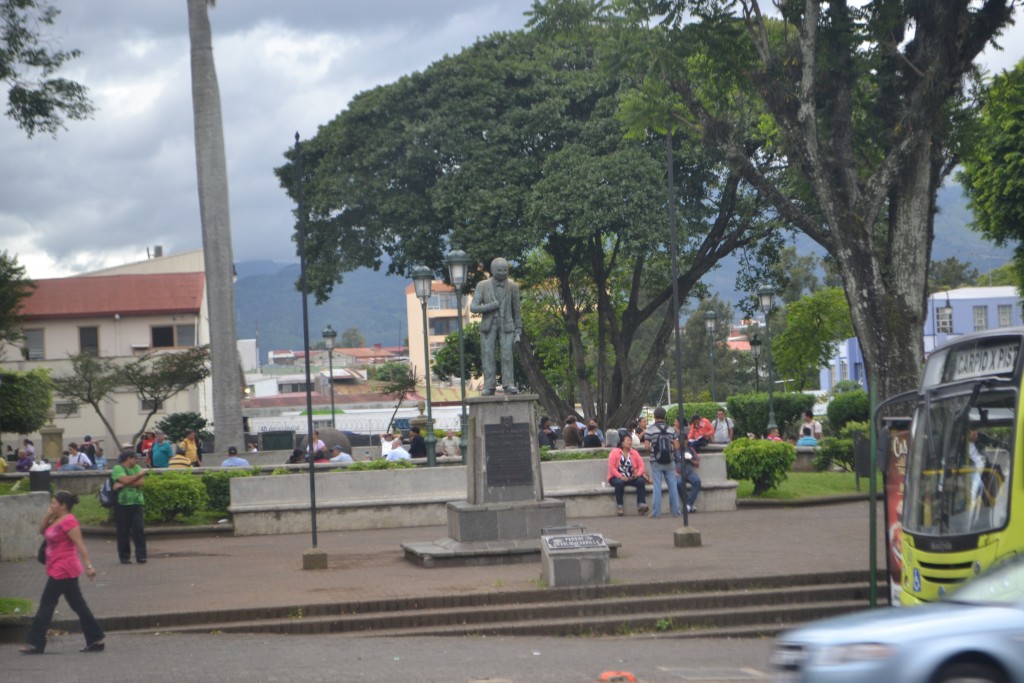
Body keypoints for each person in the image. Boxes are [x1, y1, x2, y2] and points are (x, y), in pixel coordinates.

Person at [20, 491, 104, 654]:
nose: (51, 506)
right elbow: (42, 530)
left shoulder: (70, 521)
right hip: (58, 567)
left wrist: (88, 566)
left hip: (64, 569)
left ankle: (35, 643)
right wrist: (48, 514)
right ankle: (95, 639)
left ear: (63, 506)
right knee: (78, 605)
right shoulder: (56, 519)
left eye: (54, 503)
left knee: (47, 603)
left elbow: (80, 544)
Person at [469, 257, 522, 395]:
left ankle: (509, 384)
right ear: (492, 270)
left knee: (507, 355)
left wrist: (518, 328)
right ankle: (489, 385)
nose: (503, 273)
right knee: (488, 355)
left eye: (505, 270)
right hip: (488, 325)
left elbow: (517, 309)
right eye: (499, 270)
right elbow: (473, 307)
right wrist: (490, 306)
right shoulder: (482, 285)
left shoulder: (513, 286)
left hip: (507, 325)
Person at [644, 407, 681, 518]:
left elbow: (646, 447)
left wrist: (653, 449)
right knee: (673, 486)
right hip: (670, 461)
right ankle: (676, 512)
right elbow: (676, 446)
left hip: (656, 461)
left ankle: (656, 513)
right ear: (665, 417)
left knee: (657, 486)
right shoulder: (671, 429)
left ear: (654, 417)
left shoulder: (650, 430)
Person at [112, 449, 147, 564]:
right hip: (123, 503)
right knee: (123, 531)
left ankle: (141, 555)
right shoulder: (118, 469)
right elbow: (125, 479)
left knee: (139, 529)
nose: (136, 460)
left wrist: (123, 484)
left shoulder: (136, 468)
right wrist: (138, 475)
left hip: (137, 502)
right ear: (128, 459)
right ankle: (124, 556)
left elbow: (140, 483)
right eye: (134, 458)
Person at [607, 434, 648, 516]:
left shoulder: (634, 452)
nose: (630, 442)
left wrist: (637, 475)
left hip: (630, 477)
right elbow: (611, 467)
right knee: (619, 483)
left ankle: (641, 504)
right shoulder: (615, 452)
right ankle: (620, 506)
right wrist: (620, 476)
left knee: (640, 481)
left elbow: (641, 466)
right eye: (628, 440)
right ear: (622, 442)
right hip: (616, 477)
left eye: (630, 440)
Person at [675, 418, 702, 514]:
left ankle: (688, 505)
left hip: (689, 472)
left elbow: (697, 464)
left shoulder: (690, 450)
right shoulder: (675, 451)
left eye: (685, 441)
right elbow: (670, 464)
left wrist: (690, 460)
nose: (684, 443)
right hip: (679, 473)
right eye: (681, 441)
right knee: (678, 484)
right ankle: (689, 504)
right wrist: (674, 472)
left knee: (697, 482)